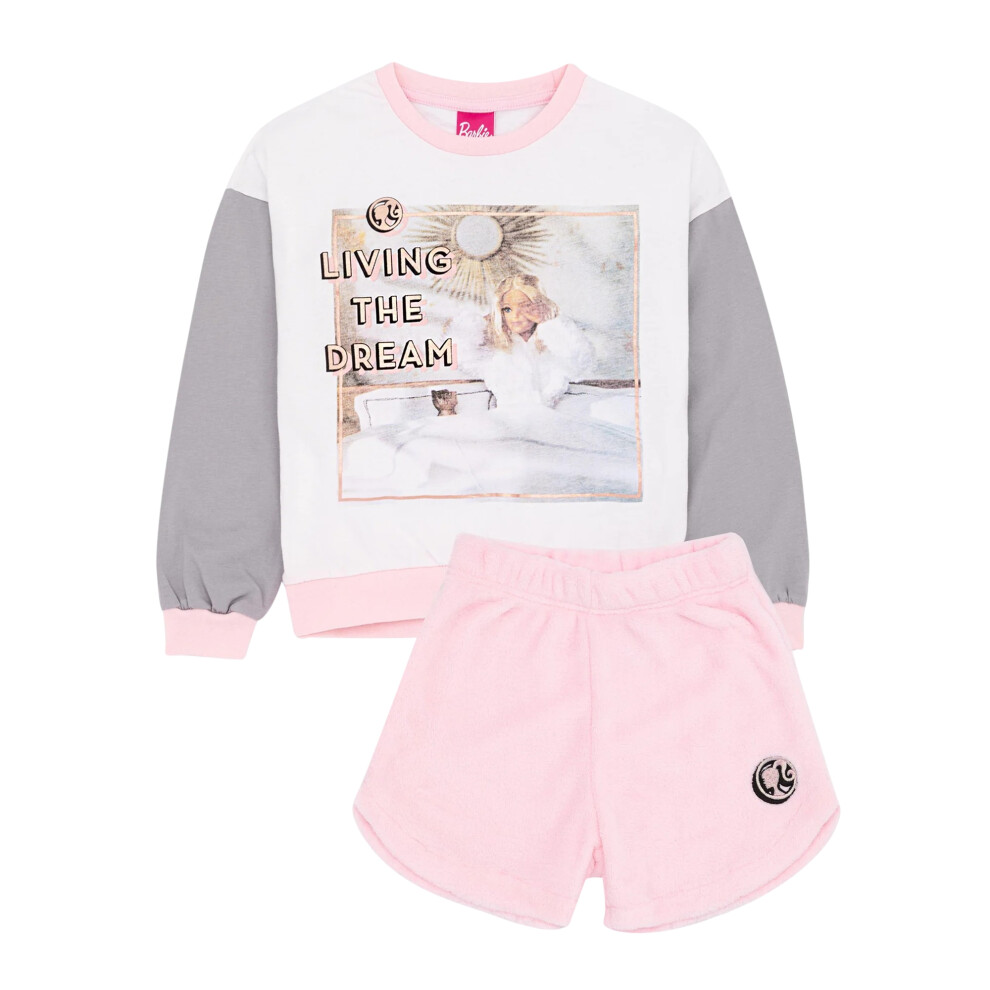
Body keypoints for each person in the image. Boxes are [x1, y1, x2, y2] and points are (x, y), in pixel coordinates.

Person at [481, 274, 594, 408]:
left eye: (525, 307)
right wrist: (479, 324)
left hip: (553, 414)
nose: (515, 316)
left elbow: (579, 365)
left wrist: (550, 324)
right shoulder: (496, 346)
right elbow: (465, 351)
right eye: (508, 309)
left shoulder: (554, 340)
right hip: (508, 416)